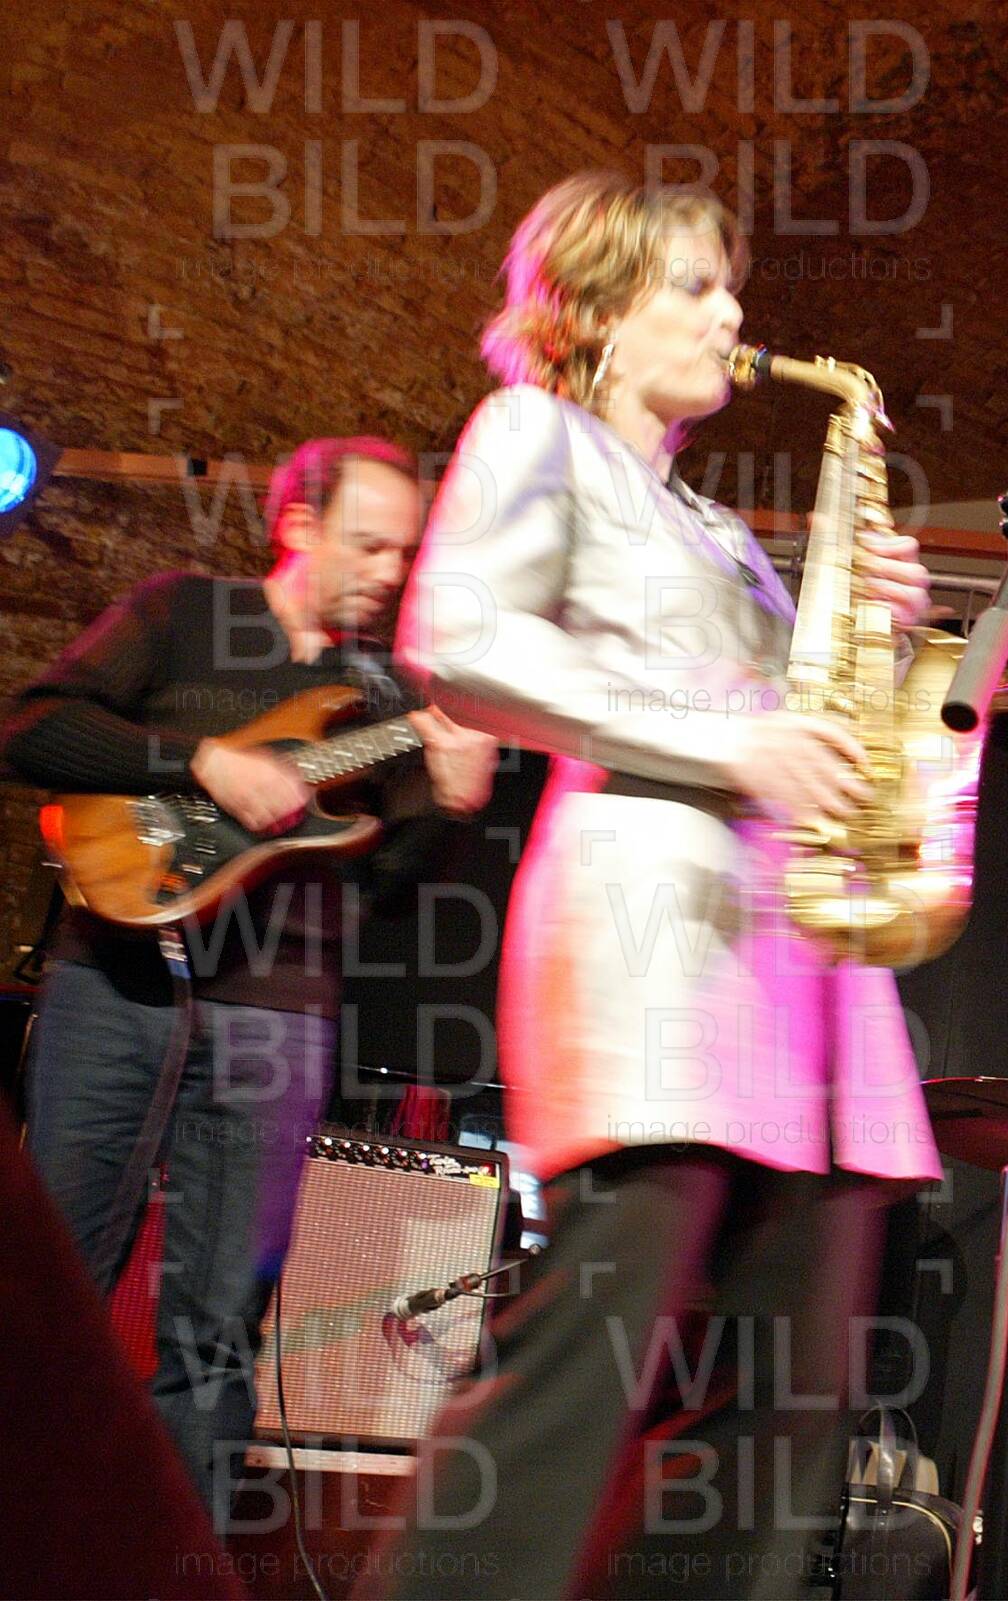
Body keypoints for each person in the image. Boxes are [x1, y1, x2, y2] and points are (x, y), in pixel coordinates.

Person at [373, 171, 940, 1597]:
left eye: (728, 285)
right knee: (583, 1365)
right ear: (595, 311)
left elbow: (803, 724)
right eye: (694, 284)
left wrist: (877, 633)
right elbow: (459, 638)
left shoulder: (725, 531)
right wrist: (728, 737)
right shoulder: (536, 433)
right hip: (655, 948)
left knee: (787, 1410)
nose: (732, 313)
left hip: (795, 979)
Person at [0, 437, 496, 1522]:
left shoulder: (390, 695)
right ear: (299, 525)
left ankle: (174, 1564)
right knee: (45, 1292)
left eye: (403, 552)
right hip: (115, 985)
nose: (388, 572)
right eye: (368, 543)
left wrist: (454, 807)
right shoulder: (184, 613)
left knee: (219, 1325)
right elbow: (34, 727)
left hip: (280, 1013)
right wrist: (199, 761)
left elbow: (389, 888)